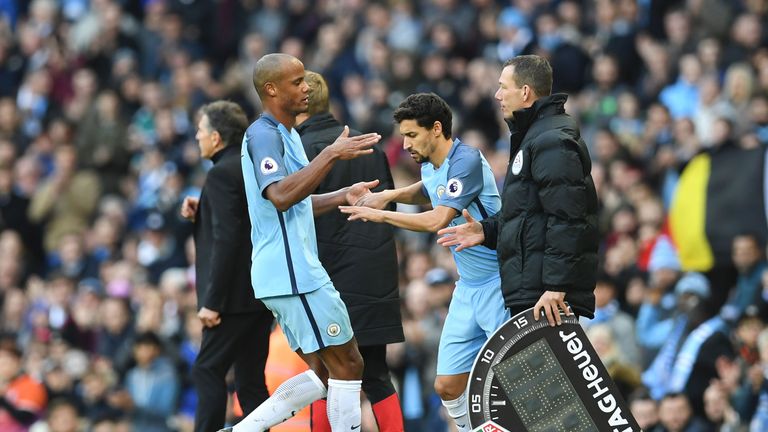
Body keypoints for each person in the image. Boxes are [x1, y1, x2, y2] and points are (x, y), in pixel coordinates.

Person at [222, 53, 381, 432]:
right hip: (293, 272)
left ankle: (244, 430)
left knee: (326, 373)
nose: (306, 86)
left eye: (304, 80)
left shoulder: (287, 134)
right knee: (349, 364)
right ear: (271, 89)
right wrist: (330, 154)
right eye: (296, 82)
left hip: (289, 271)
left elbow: (295, 204)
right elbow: (278, 195)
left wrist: (343, 194)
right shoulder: (263, 134)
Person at [339, 92, 509, 432]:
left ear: (436, 129)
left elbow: (437, 219)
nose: (404, 145)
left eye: (411, 135)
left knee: (511, 381)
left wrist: (382, 215)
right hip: (468, 287)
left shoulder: (467, 160)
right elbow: (429, 188)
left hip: (499, 283)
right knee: (446, 385)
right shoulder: (433, 164)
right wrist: (389, 195)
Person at [437, 54, 599, 325]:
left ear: (525, 92)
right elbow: (527, 215)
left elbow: (568, 219)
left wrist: (556, 287)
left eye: (503, 86)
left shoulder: (551, 141)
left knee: (547, 370)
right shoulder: (534, 137)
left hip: (547, 298)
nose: (498, 95)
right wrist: (486, 230)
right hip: (534, 291)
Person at [295, 71, 405, 432]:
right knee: (376, 373)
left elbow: (288, 213)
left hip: (324, 276)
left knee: (323, 373)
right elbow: (389, 208)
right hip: (374, 272)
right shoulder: (366, 143)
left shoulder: (297, 149)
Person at [180, 100, 274, 432]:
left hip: (231, 299)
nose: (197, 136)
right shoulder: (249, 166)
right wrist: (204, 207)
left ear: (216, 137)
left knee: (207, 369)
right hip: (260, 292)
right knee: (249, 381)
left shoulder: (220, 173)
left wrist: (212, 301)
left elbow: (228, 238)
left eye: (201, 131)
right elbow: (245, 221)